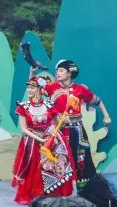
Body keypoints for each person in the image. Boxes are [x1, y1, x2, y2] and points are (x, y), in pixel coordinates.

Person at [43, 59, 111, 189]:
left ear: (69, 73)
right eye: (57, 70)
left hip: (77, 129)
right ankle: (57, 188)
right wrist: (32, 72)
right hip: (59, 129)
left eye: (61, 70)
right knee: (57, 157)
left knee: (82, 157)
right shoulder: (52, 87)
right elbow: (34, 86)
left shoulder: (80, 89)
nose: (57, 73)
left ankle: (84, 187)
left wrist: (106, 115)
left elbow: (98, 101)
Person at [13, 77, 75, 205]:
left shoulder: (48, 105)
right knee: (34, 169)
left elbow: (56, 124)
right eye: (28, 87)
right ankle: (36, 194)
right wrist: (40, 139)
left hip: (50, 139)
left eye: (32, 87)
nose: (29, 90)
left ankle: (51, 193)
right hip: (32, 141)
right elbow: (24, 129)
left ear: (39, 89)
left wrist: (62, 121)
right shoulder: (23, 107)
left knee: (54, 166)